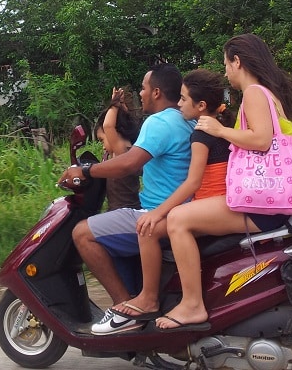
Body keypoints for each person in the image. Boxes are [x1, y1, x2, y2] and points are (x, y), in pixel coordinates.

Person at [156, 34, 292, 331]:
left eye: (226, 64)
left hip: (261, 204)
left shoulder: (255, 94)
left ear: (238, 61)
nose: (225, 72)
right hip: (269, 199)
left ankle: (192, 305)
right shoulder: (270, 93)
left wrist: (219, 131)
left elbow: (260, 140)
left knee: (178, 220)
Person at [58, 63, 194, 335]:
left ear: (156, 92)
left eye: (143, 88)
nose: (141, 94)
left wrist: (86, 170)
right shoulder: (186, 120)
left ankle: (126, 308)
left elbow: (128, 164)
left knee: (82, 233)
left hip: (156, 213)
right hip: (182, 211)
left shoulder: (159, 122)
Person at [106, 68, 232, 330]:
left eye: (183, 100)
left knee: (148, 229)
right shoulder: (215, 128)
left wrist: (157, 211)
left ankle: (155, 299)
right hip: (215, 201)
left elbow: (193, 182)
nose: (179, 104)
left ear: (201, 105)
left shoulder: (200, 133)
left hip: (209, 203)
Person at [95, 87, 141, 211]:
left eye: (102, 140)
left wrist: (114, 104)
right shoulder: (129, 149)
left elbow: (108, 125)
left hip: (124, 211)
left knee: (80, 229)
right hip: (119, 209)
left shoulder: (122, 151)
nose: (103, 146)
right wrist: (122, 108)